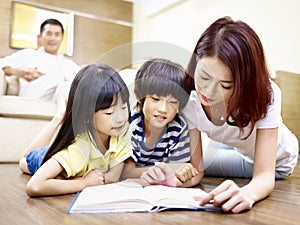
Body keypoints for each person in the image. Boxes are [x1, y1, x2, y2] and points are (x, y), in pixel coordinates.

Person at [181, 16, 299, 213]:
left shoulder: (266, 94)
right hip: (238, 145)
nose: (209, 92)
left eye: (225, 85)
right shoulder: (189, 99)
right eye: (203, 76)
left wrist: (248, 193)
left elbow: (264, 176)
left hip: (277, 160)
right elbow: (195, 169)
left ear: (243, 84)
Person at [18, 63, 133, 197]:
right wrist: (82, 183)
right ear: (86, 116)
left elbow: (112, 177)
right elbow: (34, 186)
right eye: (110, 113)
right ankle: (58, 118)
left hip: (68, 163)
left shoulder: (121, 133)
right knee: (25, 160)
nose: (120, 118)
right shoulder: (77, 150)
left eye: (124, 108)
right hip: (43, 158)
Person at [122, 58, 203, 187]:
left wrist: (175, 173)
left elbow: (182, 172)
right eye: (155, 99)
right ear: (139, 97)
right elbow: (126, 172)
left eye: (173, 102)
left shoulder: (178, 128)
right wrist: (169, 169)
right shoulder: (131, 125)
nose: (163, 109)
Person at [0, 18, 80, 103]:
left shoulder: (67, 63)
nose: (52, 38)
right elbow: (1, 64)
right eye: (48, 34)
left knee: (65, 86)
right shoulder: (29, 54)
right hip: (31, 98)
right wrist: (19, 72)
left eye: (57, 35)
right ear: (41, 36)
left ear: (61, 38)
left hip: (55, 101)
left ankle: (61, 115)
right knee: (62, 80)